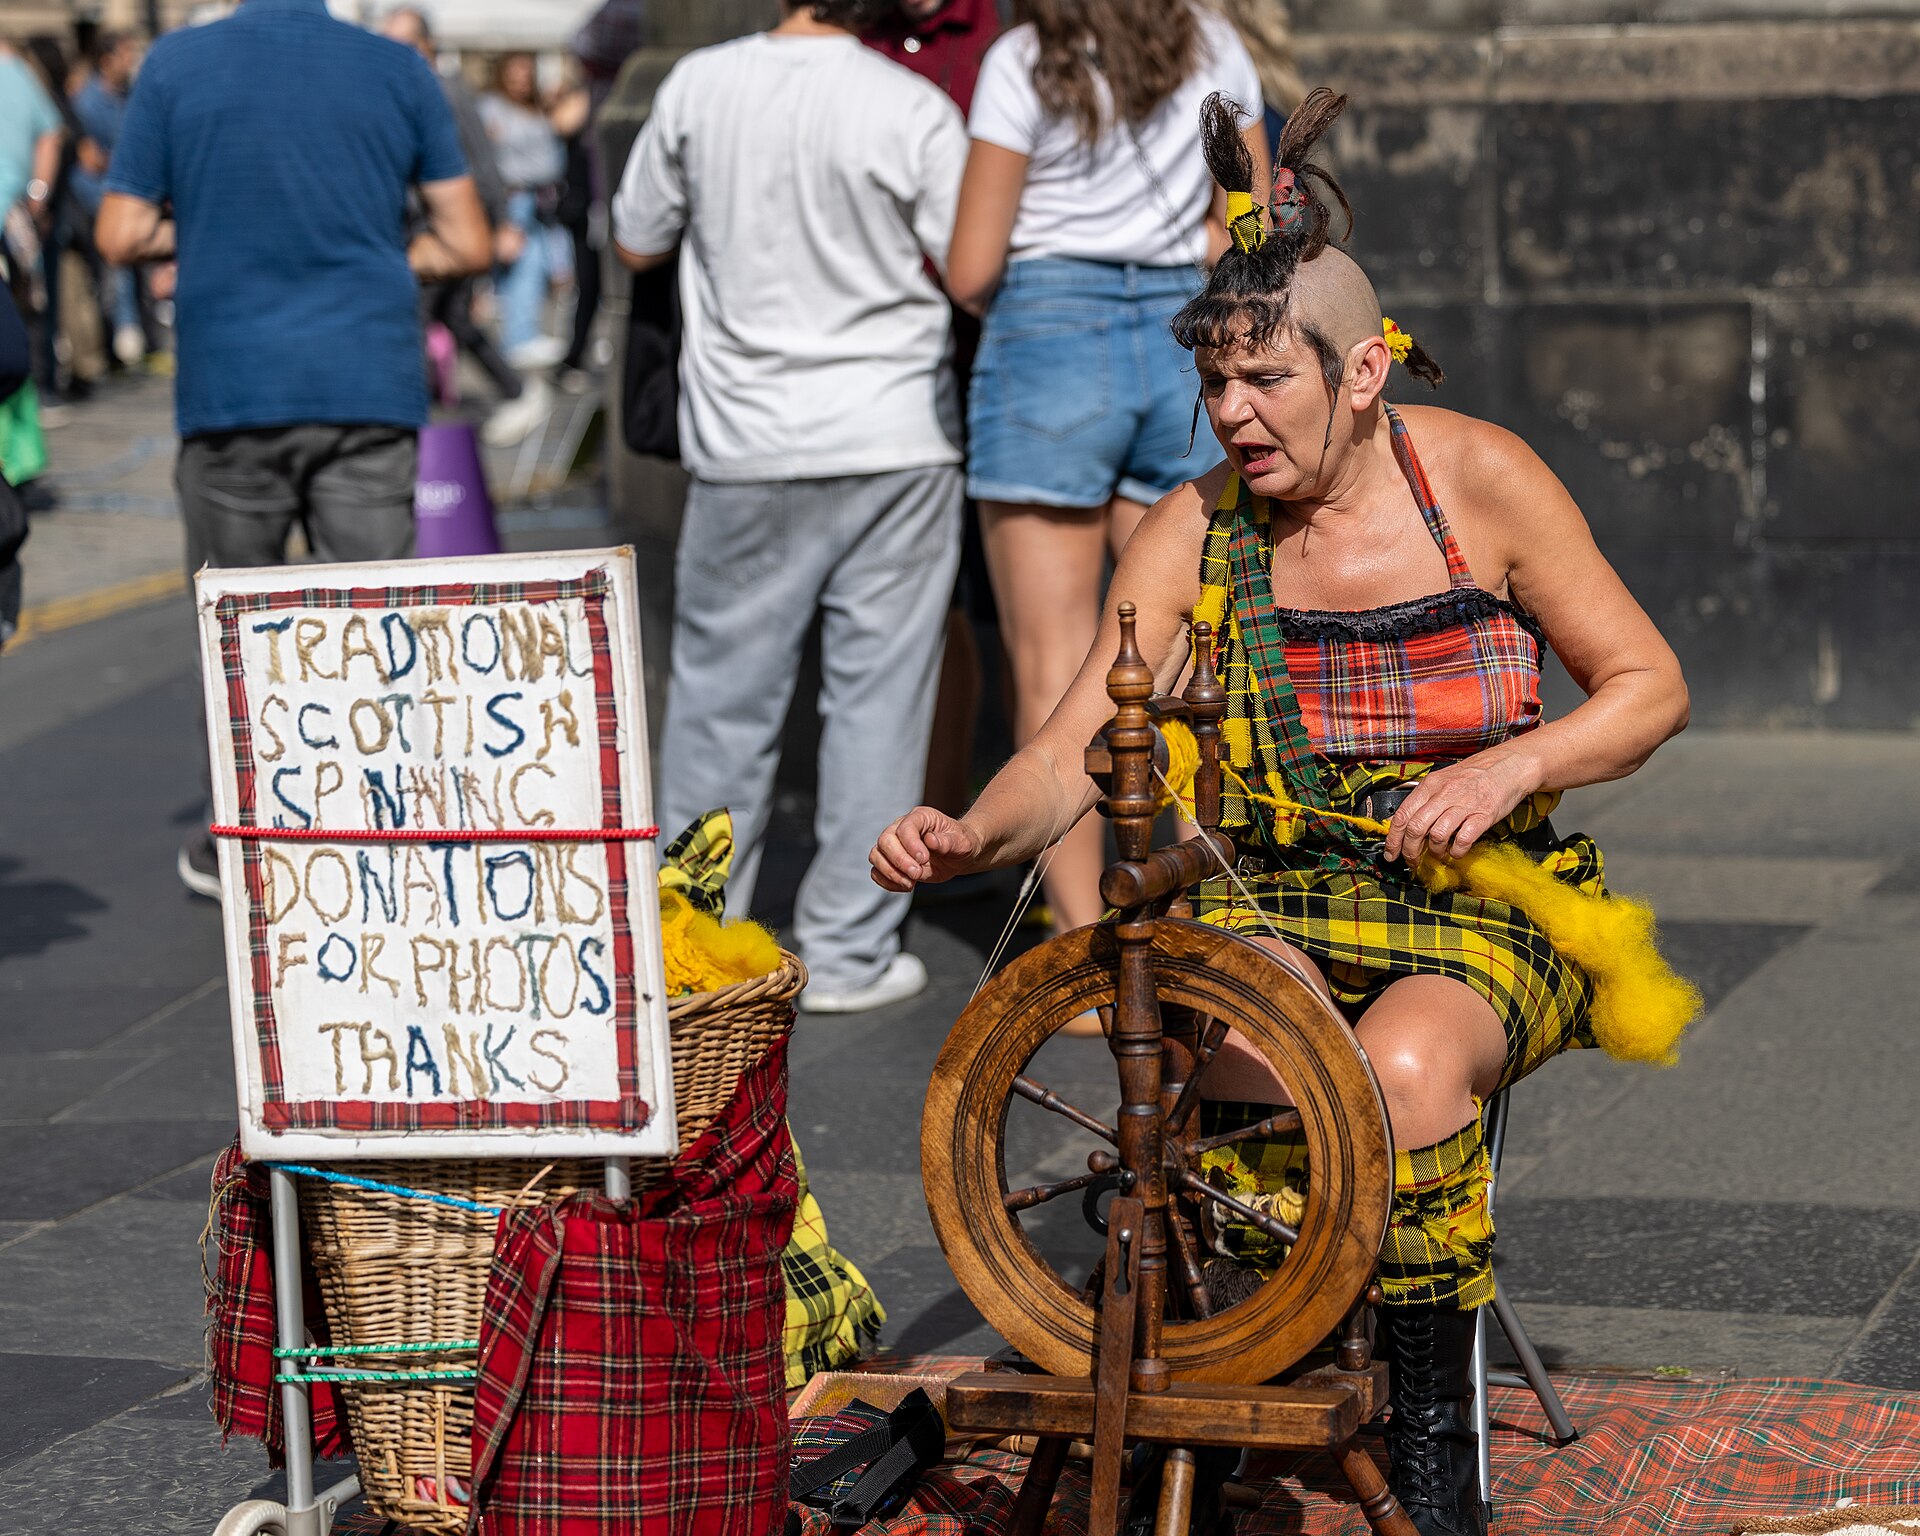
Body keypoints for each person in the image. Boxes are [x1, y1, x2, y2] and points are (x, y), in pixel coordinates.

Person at [872, 90, 1691, 1536]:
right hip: (1277, 900)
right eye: (1220, 387)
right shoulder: (1196, 526)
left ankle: (1429, 1439)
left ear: (1363, 372)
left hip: (1488, 903)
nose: (1234, 415)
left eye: (1269, 383)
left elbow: (1648, 687)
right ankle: (1254, 1354)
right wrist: (967, 835)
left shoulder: (1481, 482)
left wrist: (1509, 768)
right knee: (1251, 1039)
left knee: (1406, 1066)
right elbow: (1069, 746)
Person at [612, 0, 968, 1014]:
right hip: (896, 431)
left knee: (722, 704)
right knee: (878, 701)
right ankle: (850, 950)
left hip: (747, 439)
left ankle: (689, 945)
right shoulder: (912, 107)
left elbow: (636, 239)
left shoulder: (697, 86)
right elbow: (969, 262)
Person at [94, 0, 490, 900]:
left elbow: (118, 232)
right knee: (377, 624)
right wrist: (385, 256)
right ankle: (386, 821)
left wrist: (200, 229)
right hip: (366, 382)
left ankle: (248, 837)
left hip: (235, 390)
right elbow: (464, 238)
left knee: (240, 628)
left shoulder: (175, 66)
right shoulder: (396, 68)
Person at [950, 0, 1268, 958]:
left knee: (1052, 657)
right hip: (1185, 336)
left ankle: (1088, 939)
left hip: (1049, 332)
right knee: (1186, 646)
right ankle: (1199, 923)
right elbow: (1245, 227)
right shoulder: (1215, 43)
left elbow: (971, 265)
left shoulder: (1021, 57)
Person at [378, 7, 549, 447]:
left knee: (415, 319)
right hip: (424, 231)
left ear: (426, 45)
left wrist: (500, 226)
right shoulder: (402, 90)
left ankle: (410, 423)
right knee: (453, 318)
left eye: (401, 42)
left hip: (449, 233)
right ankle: (516, 389)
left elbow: (484, 164)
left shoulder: (448, 91)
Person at [71, 31, 162, 371]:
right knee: (114, 279)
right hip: (99, 200)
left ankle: (145, 343)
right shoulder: (88, 100)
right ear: (106, 59)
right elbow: (88, 159)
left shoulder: (128, 96)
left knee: (140, 276)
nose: (131, 61)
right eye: (126, 54)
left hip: (136, 198)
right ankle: (121, 343)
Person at [479, 53, 567, 371]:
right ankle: (517, 339)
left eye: (526, 74)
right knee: (522, 268)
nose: (521, 80)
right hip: (513, 198)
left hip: (540, 200)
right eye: (514, 74)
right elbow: (486, 157)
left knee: (545, 267)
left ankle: (525, 331)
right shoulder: (491, 109)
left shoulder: (537, 107)